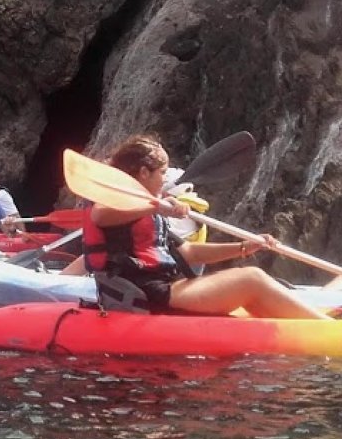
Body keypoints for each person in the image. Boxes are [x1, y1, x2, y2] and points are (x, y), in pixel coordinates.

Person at [85, 135, 327, 319]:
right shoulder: (115, 203)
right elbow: (99, 216)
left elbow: (188, 252)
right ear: (143, 172)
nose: (165, 178)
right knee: (251, 279)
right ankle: (328, 332)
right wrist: (157, 207)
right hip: (145, 293)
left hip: (164, 286)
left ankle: (309, 324)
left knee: (253, 285)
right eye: (162, 172)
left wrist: (244, 247)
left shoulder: (147, 208)